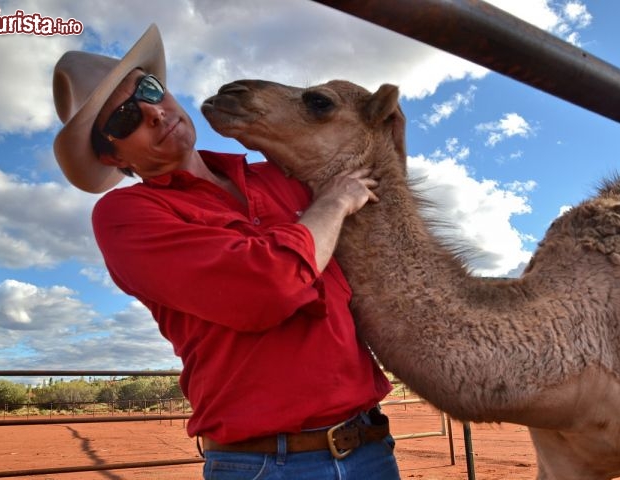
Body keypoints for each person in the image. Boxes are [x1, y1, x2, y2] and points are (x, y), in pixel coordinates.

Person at [52, 24, 400, 479]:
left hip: (370, 448)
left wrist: (383, 138)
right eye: (124, 119)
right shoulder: (128, 215)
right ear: (112, 158)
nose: (154, 114)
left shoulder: (280, 176)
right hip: (266, 465)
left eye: (150, 90)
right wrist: (332, 204)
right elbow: (269, 287)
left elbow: (382, 231)